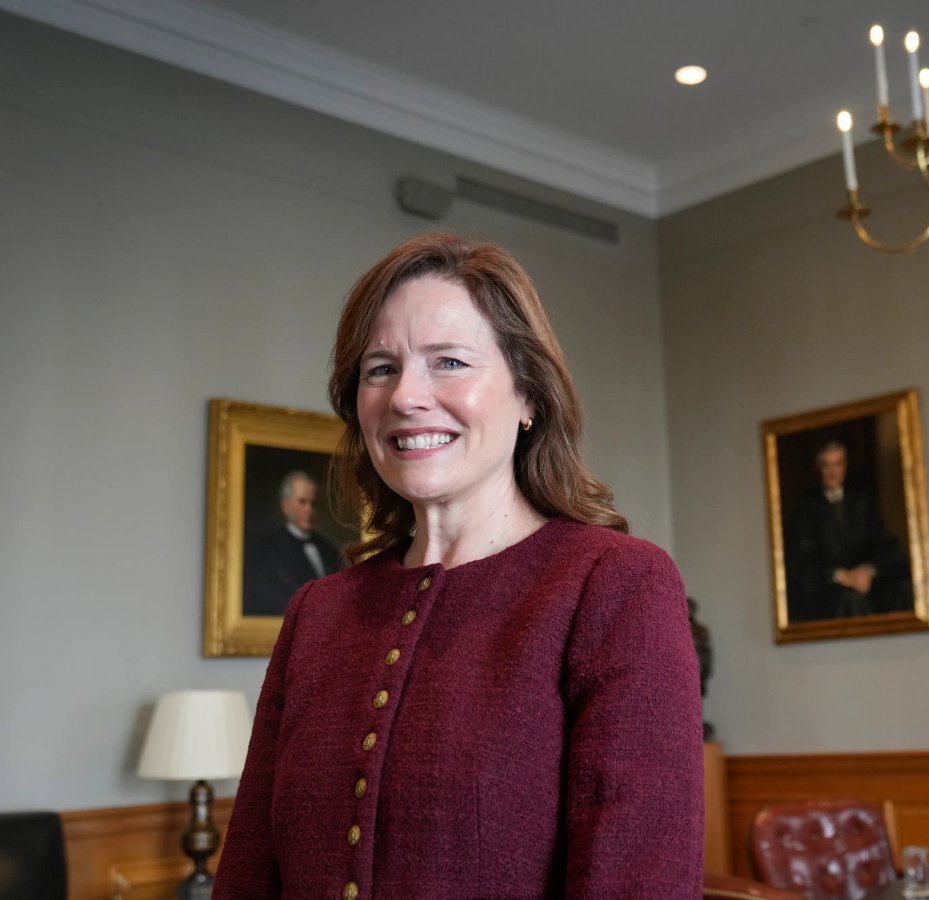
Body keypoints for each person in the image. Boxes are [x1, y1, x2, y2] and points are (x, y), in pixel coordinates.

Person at [214, 235, 704, 898]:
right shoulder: (315, 613)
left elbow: (639, 880)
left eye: (448, 362)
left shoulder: (614, 584)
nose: (406, 397)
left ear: (529, 395)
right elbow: (249, 871)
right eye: (380, 368)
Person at [784, 441, 911, 621]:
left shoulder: (862, 501)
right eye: (827, 466)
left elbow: (886, 545)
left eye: (837, 464)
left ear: (845, 466)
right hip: (829, 587)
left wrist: (868, 570)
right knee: (850, 600)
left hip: (867, 580)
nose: (833, 472)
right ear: (819, 469)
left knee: (903, 589)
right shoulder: (806, 508)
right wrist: (840, 576)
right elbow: (802, 560)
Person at [241, 471, 345, 617]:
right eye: (302, 502)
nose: (309, 510)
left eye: (313, 503)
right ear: (285, 506)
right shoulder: (268, 551)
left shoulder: (328, 549)